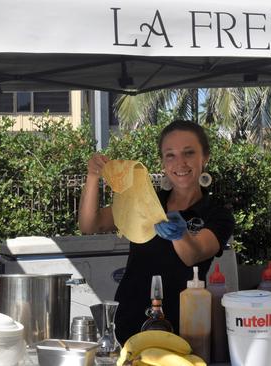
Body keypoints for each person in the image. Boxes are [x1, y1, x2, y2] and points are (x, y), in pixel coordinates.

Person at [78, 120, 235, 344]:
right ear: (162, 162)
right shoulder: (145, 200)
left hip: (185, 329)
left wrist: (181, 233)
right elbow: (90, 224)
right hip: (129, 322)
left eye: (189, 152)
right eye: (170, 155)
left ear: (205, 157)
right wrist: (93, 176)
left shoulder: (217, 214)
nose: (180, 162)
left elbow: (194, 255)